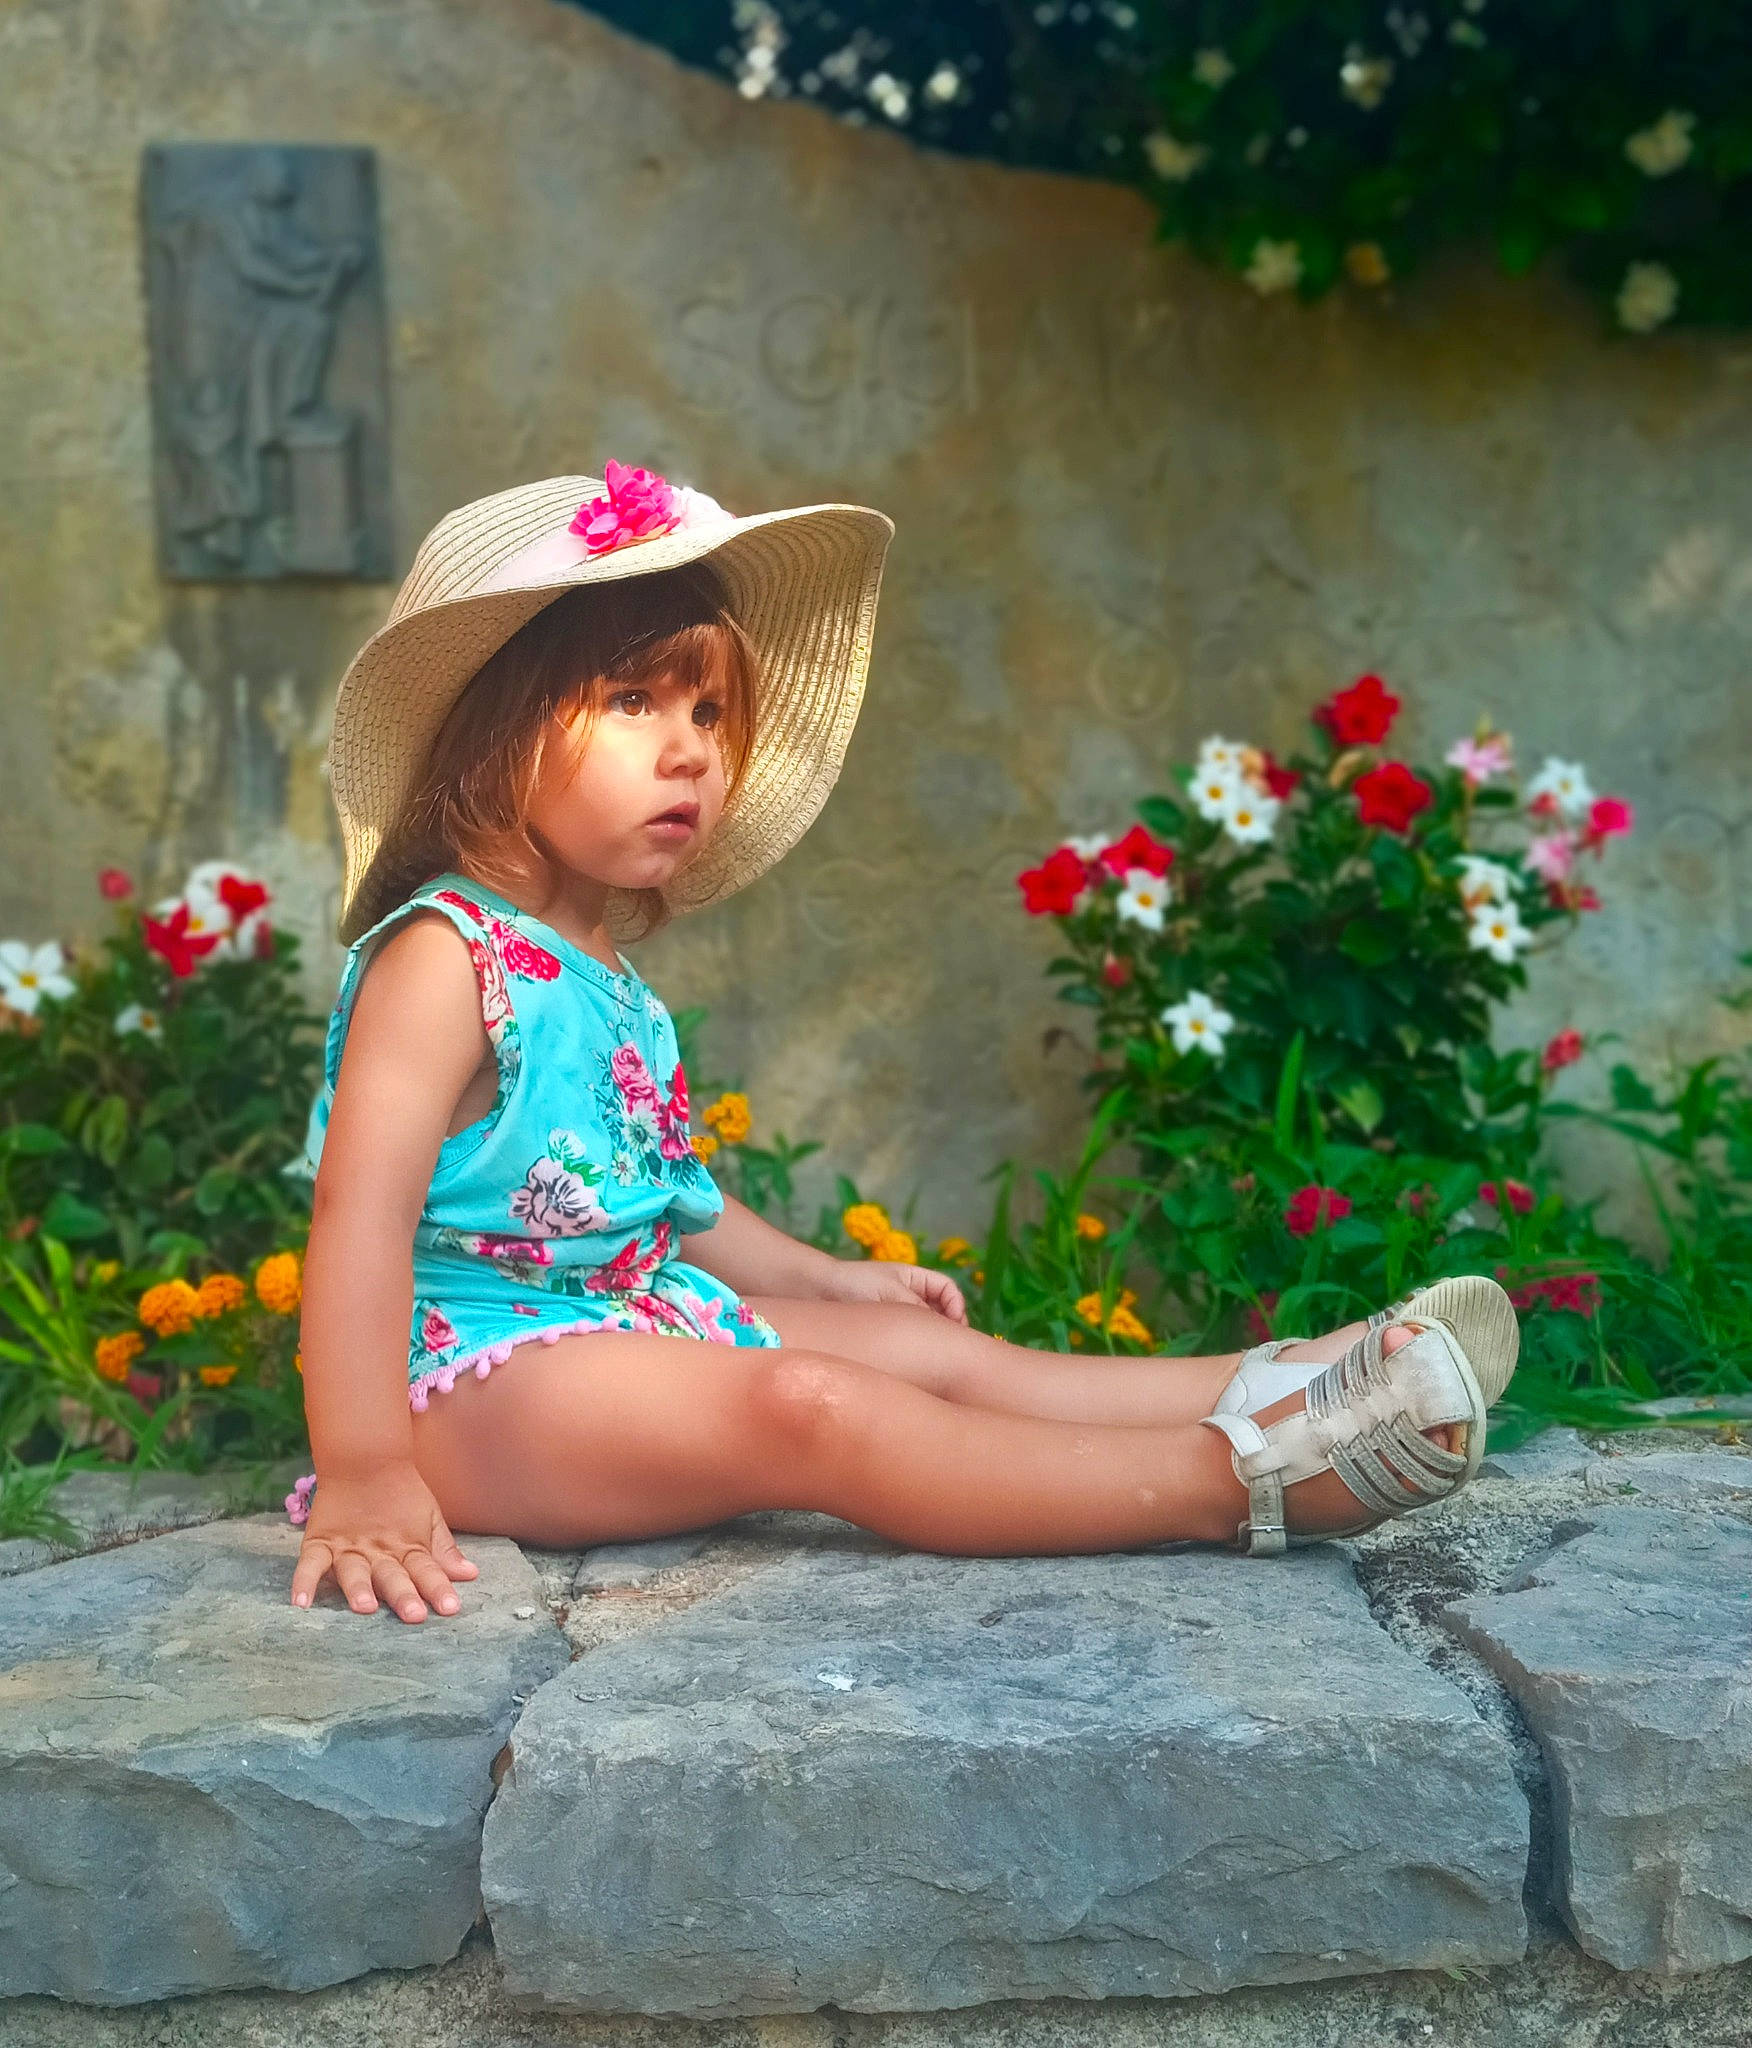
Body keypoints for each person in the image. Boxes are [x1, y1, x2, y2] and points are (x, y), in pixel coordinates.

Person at [286, 463, 1519, 1624]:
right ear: (493, 731)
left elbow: (664, 1196)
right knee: (812, 1408)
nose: (692, 750)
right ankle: (1231, 1481)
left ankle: (1283, 1376)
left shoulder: (603, 977)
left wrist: (825, 1277)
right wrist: (364, 1466)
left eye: (710, 711)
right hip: (465, 1379)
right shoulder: (443, 953)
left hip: (616, 1321)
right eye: (632, 701)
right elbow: (358, 1213)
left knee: (919, 1348)